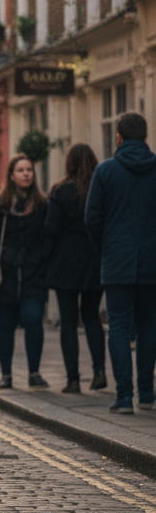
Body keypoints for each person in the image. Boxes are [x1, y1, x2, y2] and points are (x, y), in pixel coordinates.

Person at [84, 112, 156, 413]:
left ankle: (124, 397)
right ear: (146, 136)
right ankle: (148, 395)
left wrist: (107, 247)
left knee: (118, 325)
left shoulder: (105, 171)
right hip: (152, 259)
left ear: (118, 137)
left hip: (116, 259)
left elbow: (92, 218)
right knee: (149, 325)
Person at [0, 155, 49, 390]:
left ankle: (34, 373)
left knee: (33, 320)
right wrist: (3, 253)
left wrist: (37, 257)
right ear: (11, 175)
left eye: (29, 169)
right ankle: (6, 374)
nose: (26, 174)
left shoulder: (41, 204)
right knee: (5, 326)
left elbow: (48, 237)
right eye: (21, 170)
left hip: (33, 275)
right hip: (5, 278)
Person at [45, 143, 105, 394]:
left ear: (68, 163)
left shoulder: (60, 190)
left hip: (65, 261)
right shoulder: (102, 187)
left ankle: (73, 380)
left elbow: (51, 229)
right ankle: (100, 371)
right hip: (95, 258)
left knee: (68, 322)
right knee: (92, 317)